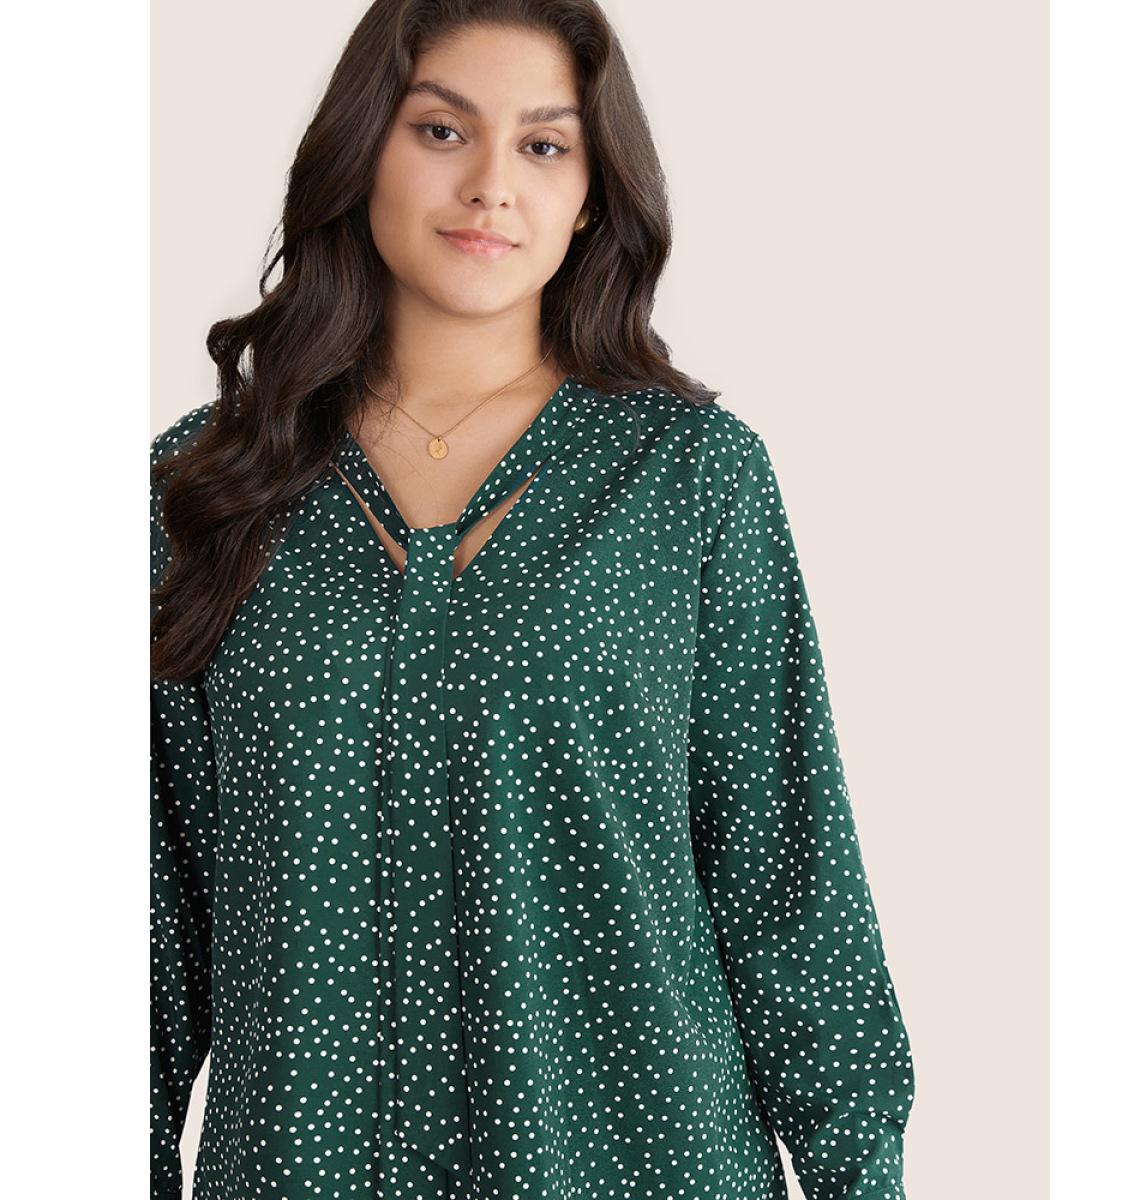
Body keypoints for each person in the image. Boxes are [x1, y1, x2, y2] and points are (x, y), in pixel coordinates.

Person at [149, 2, 916, 1198]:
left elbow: (788, 886)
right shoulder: (204, 487)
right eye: (442, 131)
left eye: (545, 145)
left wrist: (859, 1173)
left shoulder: (688, 479)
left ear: (593, 195)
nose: (491, 186)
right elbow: (143, 928)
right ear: (363, 149)